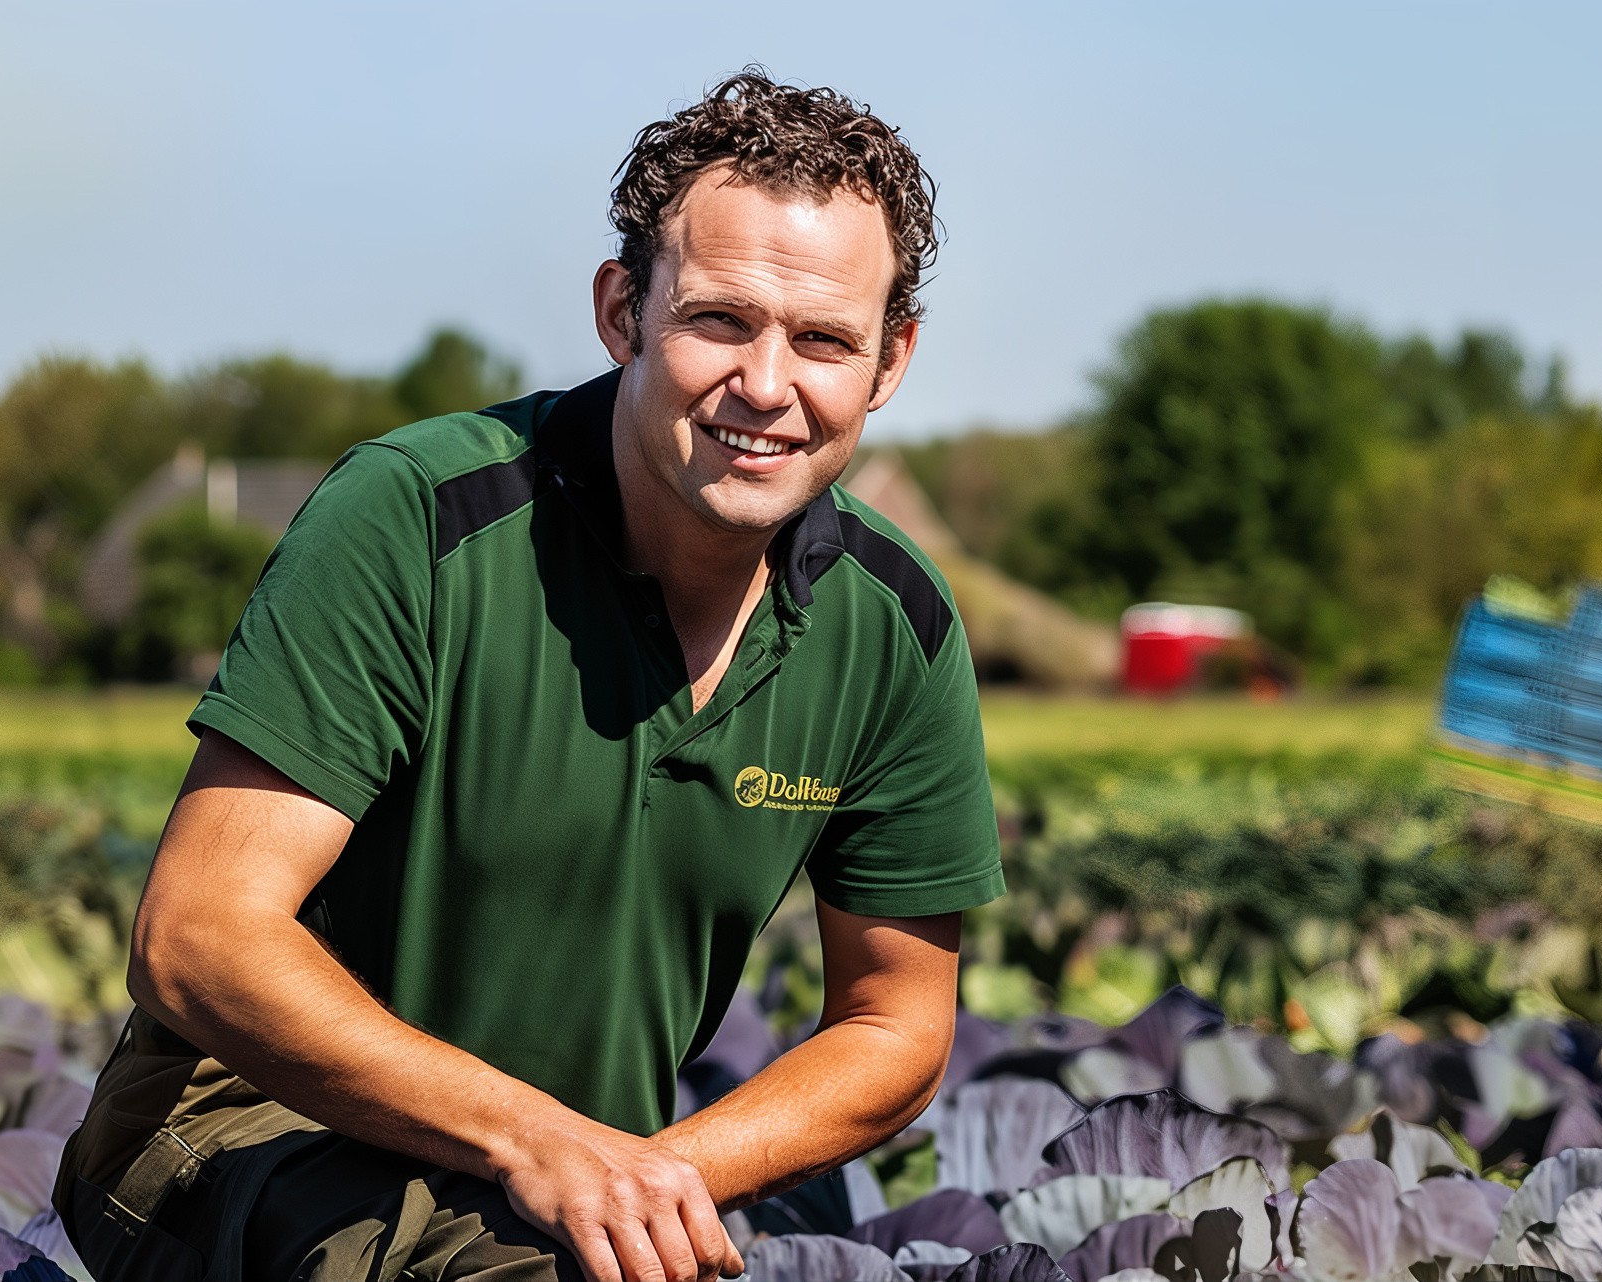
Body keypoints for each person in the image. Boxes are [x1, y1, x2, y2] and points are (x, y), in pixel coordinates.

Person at [54, 70, 1004, 1282]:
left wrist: (656, 1175)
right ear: (623, 312)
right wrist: (543, 1142)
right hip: (238, 1131)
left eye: (823, 339)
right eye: (719, 319)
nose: (767, 386)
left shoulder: (896, 629)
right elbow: (199, 936)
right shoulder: (417, 519)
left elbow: (897, 1025)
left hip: (559, 1174)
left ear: (891, 359)